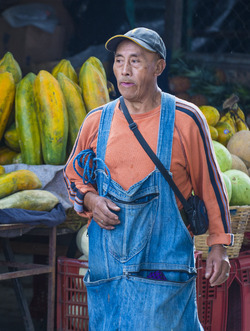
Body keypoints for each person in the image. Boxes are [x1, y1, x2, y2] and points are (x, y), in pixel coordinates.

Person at [63, 27, 233, 330]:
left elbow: (210, 186)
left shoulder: (186, 119)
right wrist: (91, 199)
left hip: (162, 275)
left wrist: (219, 246)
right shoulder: (96, 121)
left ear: (158, 67)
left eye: (136, 61)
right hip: (110, 274)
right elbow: (73, 175)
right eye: (118, 60)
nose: (124, 71)